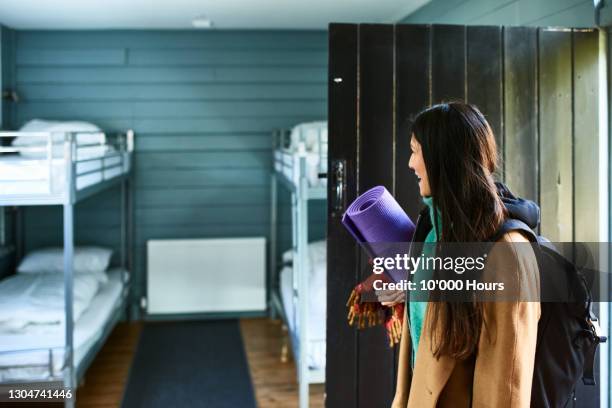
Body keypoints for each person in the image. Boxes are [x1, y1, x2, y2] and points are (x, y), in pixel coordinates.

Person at [385, 102, 541, 408]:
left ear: (444, 158)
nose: (410, 163)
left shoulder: (508, 252)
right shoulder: (435, 233)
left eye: (416, 151)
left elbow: (505, 388)